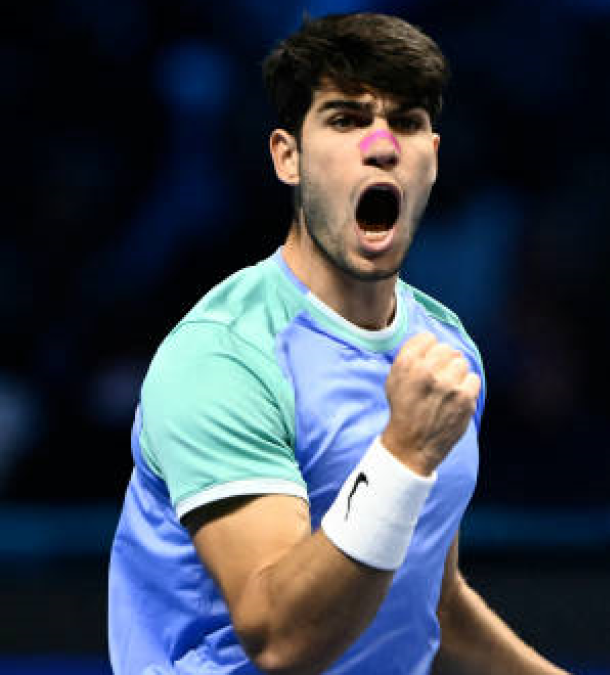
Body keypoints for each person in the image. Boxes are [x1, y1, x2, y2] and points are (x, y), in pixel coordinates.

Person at [108, 13, 571, 675]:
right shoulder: (222, 357)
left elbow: (428, 605)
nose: (381, 145)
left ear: (432, 158)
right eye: (347, 119)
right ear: (287, 156)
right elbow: (281, 641)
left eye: (406, 121)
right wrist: (402, 454)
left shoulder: (448, 348)